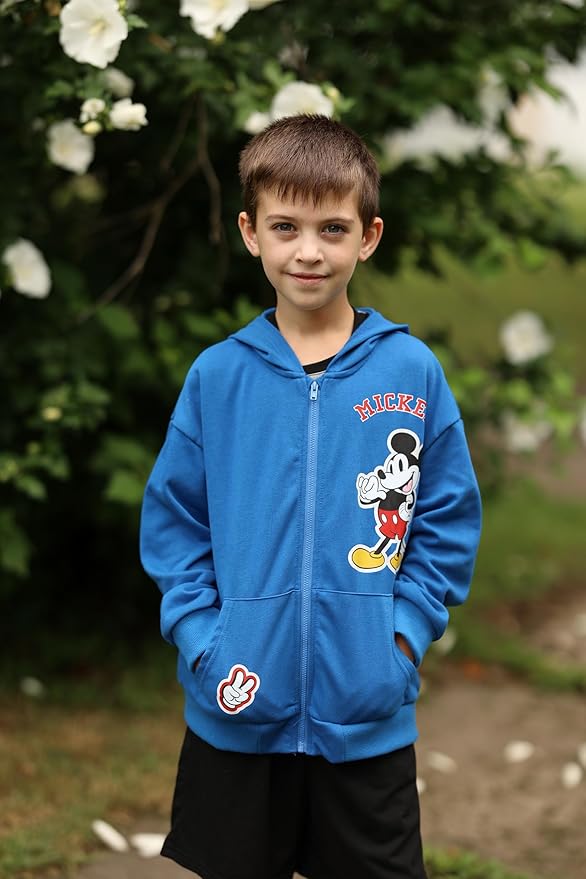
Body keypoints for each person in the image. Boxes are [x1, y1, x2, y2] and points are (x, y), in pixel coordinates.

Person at [140, 114, 482, 879]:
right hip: (237, 703)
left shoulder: (411, 372)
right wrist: (204, 640)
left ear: (368, 236)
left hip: (366, 714)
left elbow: (446, 519)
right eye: (285, 227)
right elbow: (174, 525)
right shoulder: (218, 377)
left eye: (332, 228)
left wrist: (400, 640)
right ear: (250, 232)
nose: (308, 251)